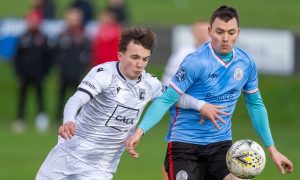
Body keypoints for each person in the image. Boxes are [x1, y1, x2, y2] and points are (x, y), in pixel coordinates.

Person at [126, 5, 294, 180]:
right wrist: (140, 131)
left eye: (231, 32)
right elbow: (166, 99)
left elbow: (255, 105)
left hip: (221, 146)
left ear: (238, 32)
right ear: (210, 31)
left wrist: (272, 150)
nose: (225, 38)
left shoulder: (246, 63)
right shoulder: (195, 62)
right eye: (219, 32)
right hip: (185, 146)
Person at [36, 27, 201, 179]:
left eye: (145, 59)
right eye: (135, 57)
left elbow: (175, 98)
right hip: (68, 154)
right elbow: (76, 99)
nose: (140, 64)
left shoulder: (150, 84)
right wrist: (69, 120)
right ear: (120, 55)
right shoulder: (104, 74)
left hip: (100, 167)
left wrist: (201, 106)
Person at [12, 11, 50, 133]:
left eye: (35, 21)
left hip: (39, 73)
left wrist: (45, 73)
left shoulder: (43, 38)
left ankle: (41, 120)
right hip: (24, 74)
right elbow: (17, 57)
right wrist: (18, 73)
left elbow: (47, 57)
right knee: (22, 97)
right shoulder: (22, 38)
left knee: (40, 97)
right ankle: (20, 119)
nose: (32, 23)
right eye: (30, 21)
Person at [54, 7, 90, 125]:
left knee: (79, 97)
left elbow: (88, 55)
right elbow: (57, 54)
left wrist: (83, 69)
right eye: (70, 19)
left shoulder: (83, 36)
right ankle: (59, 119)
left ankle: (79, 120)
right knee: (61, 97)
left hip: (78, 73)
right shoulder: (62, 35)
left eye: (74, 19)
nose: (72, 21)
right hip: (64, 72)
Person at [162, 20, 209, 85]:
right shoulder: (181, 53)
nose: (203, 34)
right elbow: (169, 77)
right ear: (193, 32)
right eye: (200, 31)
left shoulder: (218, 52)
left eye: (206, 31)